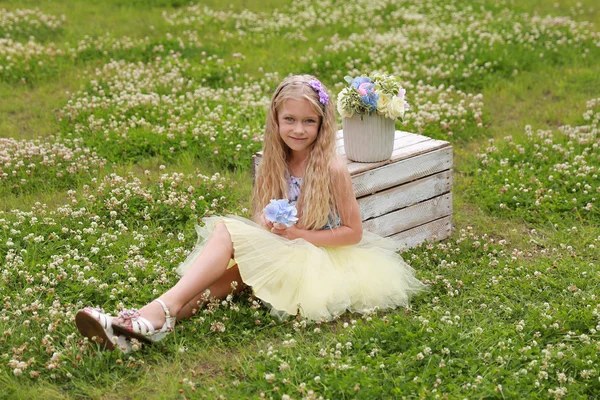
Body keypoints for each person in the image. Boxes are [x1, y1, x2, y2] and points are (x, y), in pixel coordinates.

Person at [75, 74, 425, 348]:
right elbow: (261, 212)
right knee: (216, 283)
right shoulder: (275, 161)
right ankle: (139, 328)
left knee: (226, 232)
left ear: (322, 125)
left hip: (319, 259)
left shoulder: (331, 169)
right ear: (275, 119)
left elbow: (353, 232)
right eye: (289, 119)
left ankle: (144, 317)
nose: (298, 130)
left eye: (309, 122)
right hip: (283, 249)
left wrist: (297, 234)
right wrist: (266, 223)